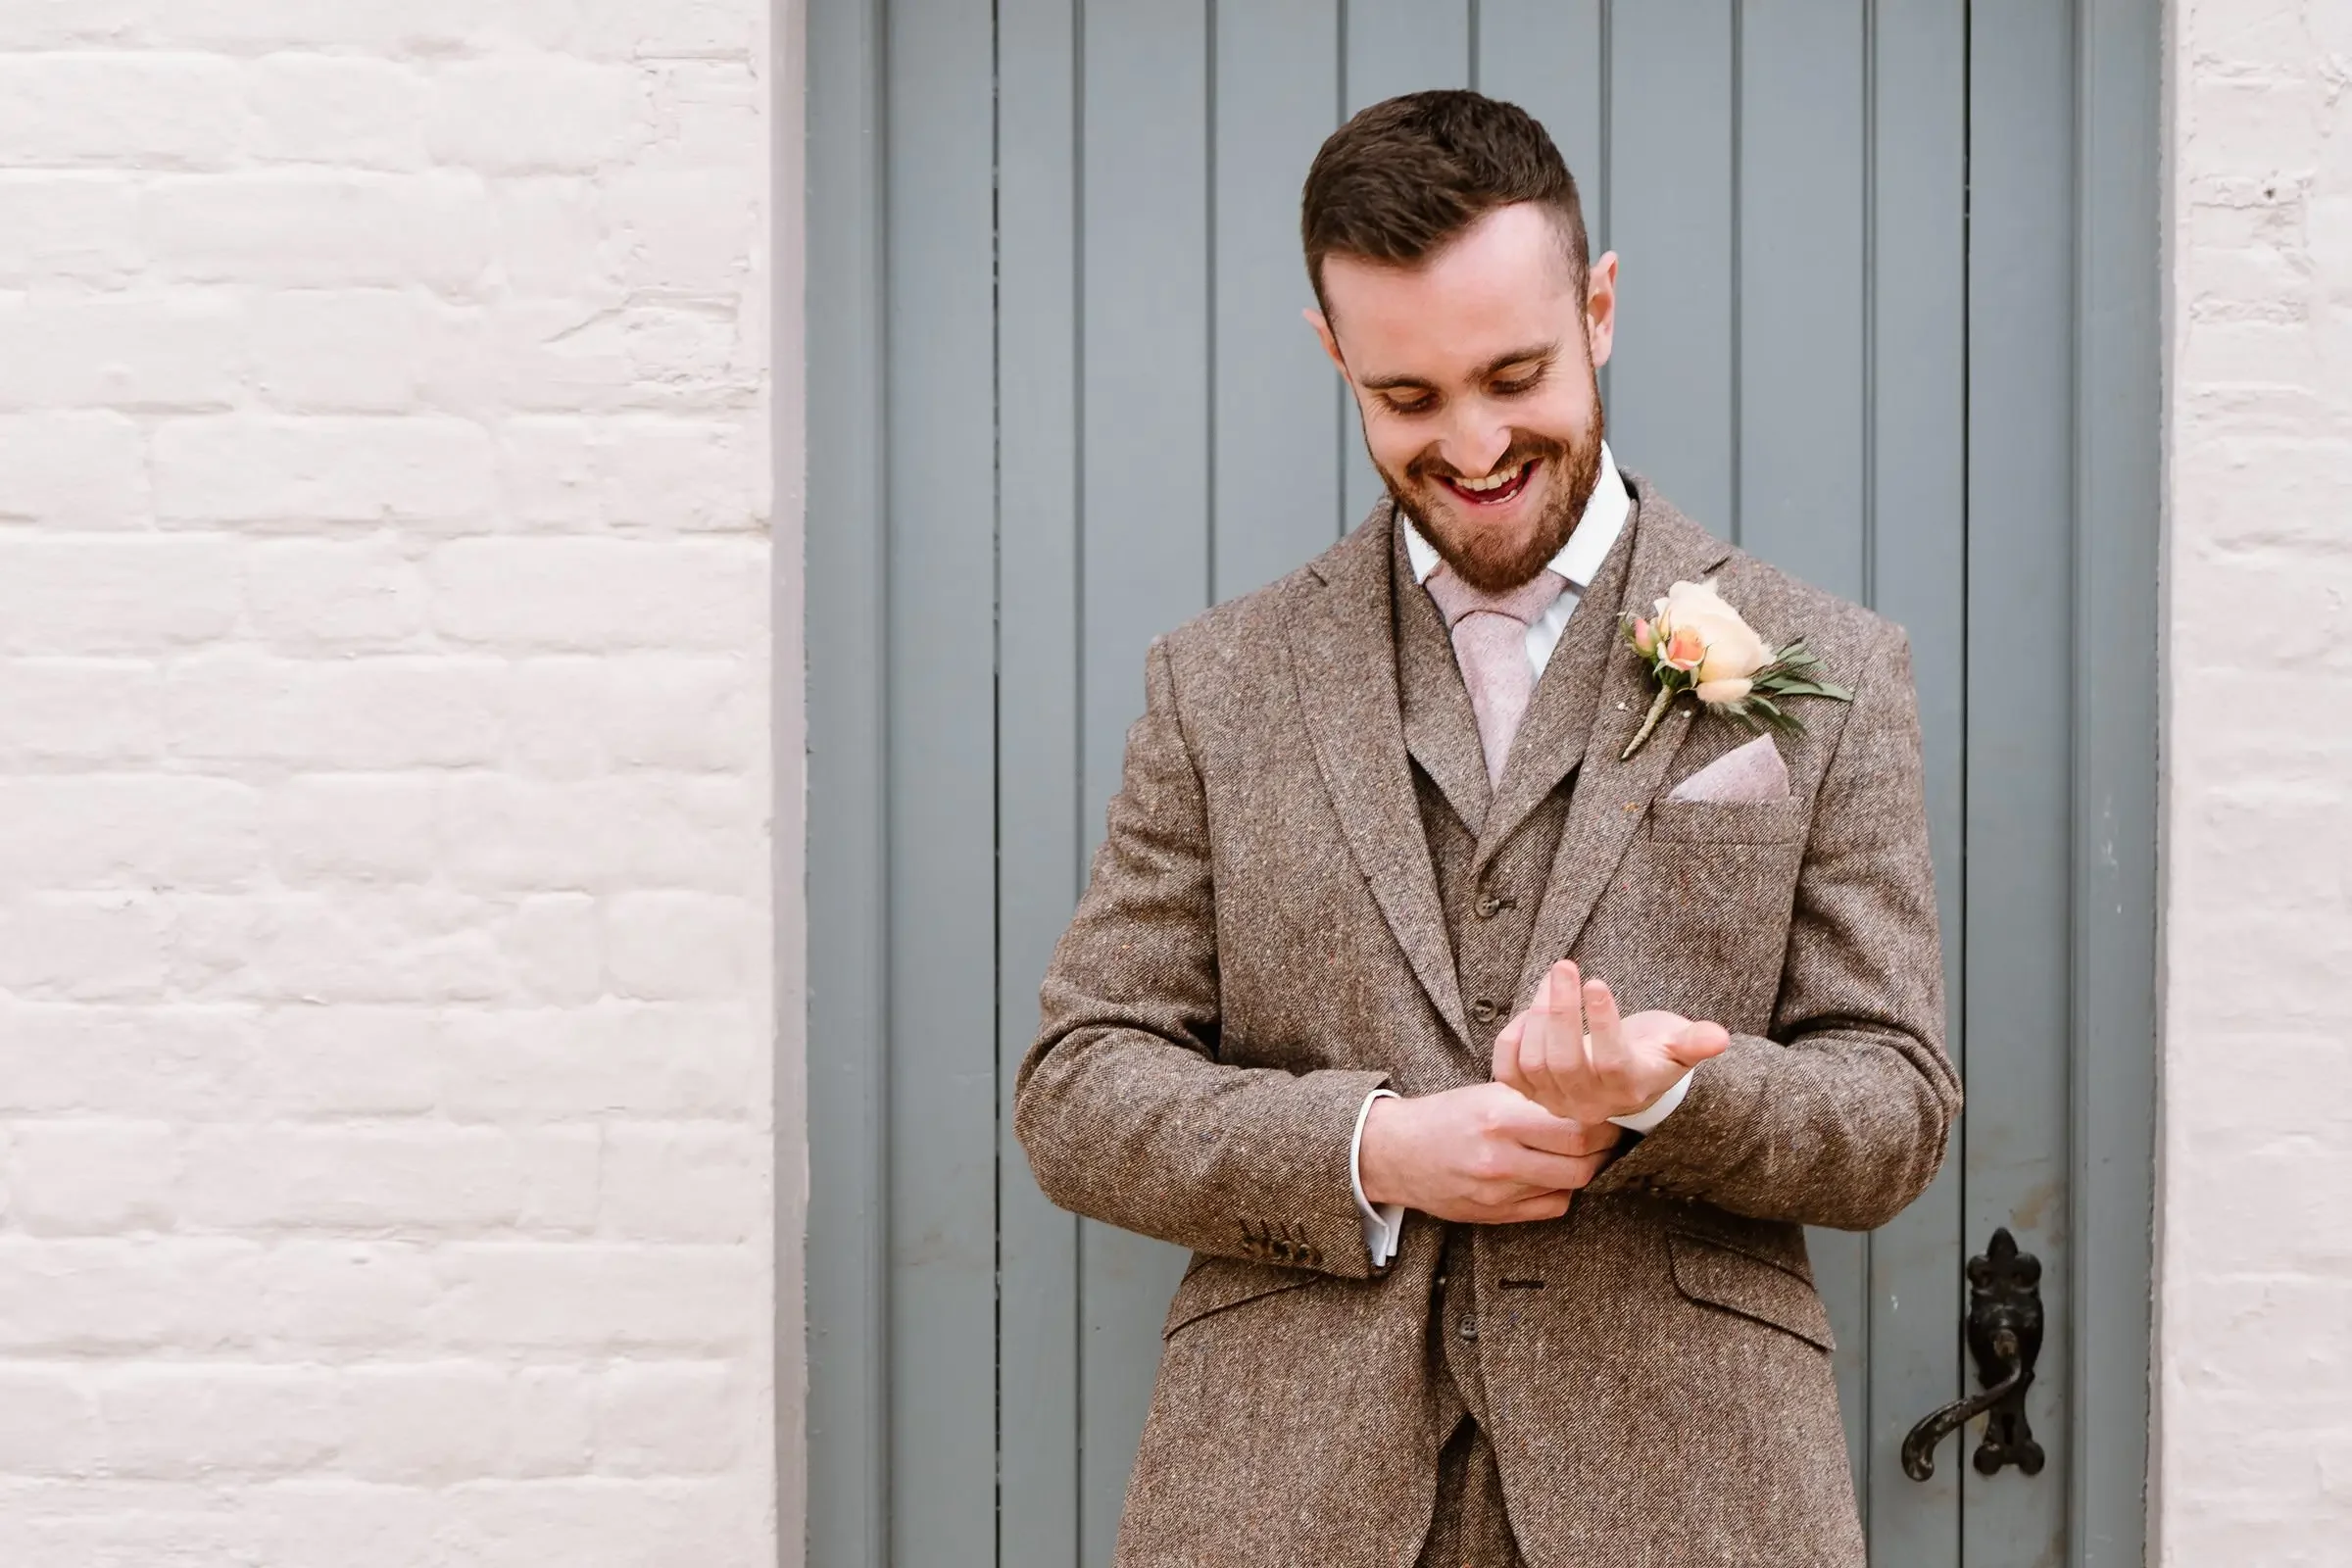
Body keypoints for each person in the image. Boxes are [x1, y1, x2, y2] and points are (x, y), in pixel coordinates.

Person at [1014, 89, 1958, 1566]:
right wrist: (1372, 1148)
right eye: (1407, 398)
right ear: (1334, 353)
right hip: (1282, 1497)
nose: (1473, 445)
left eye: (1516, 373)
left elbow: (1895, 1110)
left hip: (1689, 1495)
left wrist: (1669, 1094)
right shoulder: (1218, 681)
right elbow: (1078, 1089)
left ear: (1599, 307)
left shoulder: (1818, 660)